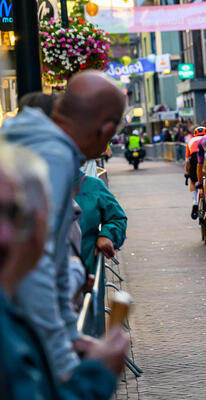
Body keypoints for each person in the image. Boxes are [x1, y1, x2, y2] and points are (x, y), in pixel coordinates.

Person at [0, 70, 126, 379]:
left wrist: (72, 334)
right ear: (105, 129)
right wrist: (65, 362)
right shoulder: (54, 157)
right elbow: (39, 265)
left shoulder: (27, 142)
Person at [74, 170, 127, 275]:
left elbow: (117, 218)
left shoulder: (92, 185)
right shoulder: (40, 187)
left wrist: (107, 235)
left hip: (88, 270)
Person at [185, 126, 206, 220]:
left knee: (193, 181)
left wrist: (188, 172)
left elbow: (187, 160)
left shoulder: (190, 141)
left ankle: (195, 201)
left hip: (194, 157)